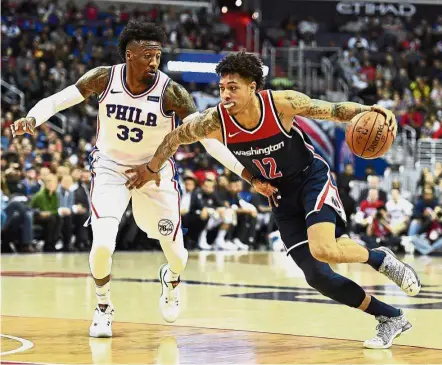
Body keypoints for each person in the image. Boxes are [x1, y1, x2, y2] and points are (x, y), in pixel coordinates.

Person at [126, 51, 421, 349]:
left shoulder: (281, 104)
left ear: (253, 87)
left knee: (324, 248)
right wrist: (151, 169)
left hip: (310, 179)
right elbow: (175, 137)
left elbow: (334, 110)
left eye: (233, 87)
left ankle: (380, 258)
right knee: (319, 277)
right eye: (222, 88)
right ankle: (390, 317)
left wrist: (372, 111)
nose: (225, 94)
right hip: (278, 194)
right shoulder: (213, 122)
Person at [10, 22, 276, 338]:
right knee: (102, 245)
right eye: (147, 55)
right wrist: (32, 118)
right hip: (110, 169)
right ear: (129, 55)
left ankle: (171, 280)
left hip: (155, 172)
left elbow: (208, 141)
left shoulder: (172, 92)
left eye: (158, 56)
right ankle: (103, 307)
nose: (153, 62)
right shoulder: (103, 78)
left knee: (178, 255)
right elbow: (57, 100)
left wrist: (247, 174)